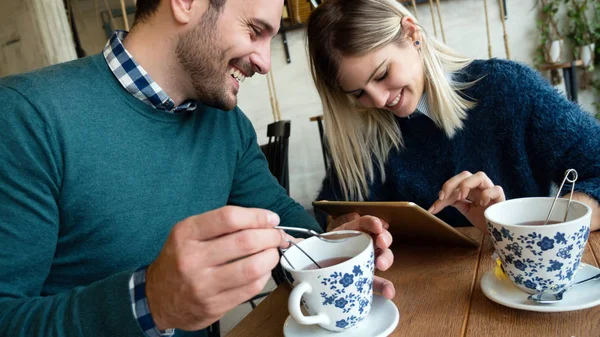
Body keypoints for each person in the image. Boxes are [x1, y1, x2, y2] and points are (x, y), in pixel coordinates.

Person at [0, 0, 396, 336]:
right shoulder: (25, 117)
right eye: (255, 30)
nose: (263, 62)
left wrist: (332, 248)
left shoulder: (227, 125)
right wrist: (150, 300)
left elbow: (282, 220)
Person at [306, 0, 600, 233]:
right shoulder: (363, 130)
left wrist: (524, 226)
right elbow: (329, 212)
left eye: (383, 74)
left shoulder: (509, 89)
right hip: (416, 297)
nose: (379, 100)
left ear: (411, 35)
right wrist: (339, 228)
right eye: (359, 93)